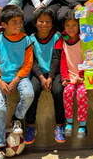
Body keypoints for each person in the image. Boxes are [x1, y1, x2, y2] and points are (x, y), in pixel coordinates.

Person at [0, 5, 34, 157]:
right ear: (4, 25)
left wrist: (16, 80)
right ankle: (0, 147)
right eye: (14, 22)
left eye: (20, 22)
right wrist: (0, 81)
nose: (18, 25)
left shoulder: (26, 40)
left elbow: (28, 64)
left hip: (20, 77)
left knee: (28, 94)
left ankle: (17, 117)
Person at [24, 8, 66, 144]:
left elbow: (56, 58)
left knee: (58, 91)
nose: (44, 24)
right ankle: (30, 126)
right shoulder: (30, 39)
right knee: (33, 90)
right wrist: (42, 78)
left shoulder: (57, 36)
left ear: (52, 23)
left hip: (55, 72)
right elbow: (32, 61)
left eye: (48, 21)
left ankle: (60, 125)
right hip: (38, 73)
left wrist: (51, 77)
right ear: (35, 23)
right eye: (41, 21)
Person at [56, 10, 88, 138]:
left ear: (79, 26)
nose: (71, 28)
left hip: (82, 77)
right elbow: (62, 62)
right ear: (64, 27)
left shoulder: (85, 39)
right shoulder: (62, 40)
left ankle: (82, 125)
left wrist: (84, 76)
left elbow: (88, 59)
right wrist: (64, 78)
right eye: (68, 25)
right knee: (67, 92)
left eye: (74, 25)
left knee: (82, 94)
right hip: (69, 76)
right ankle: (69, 122)